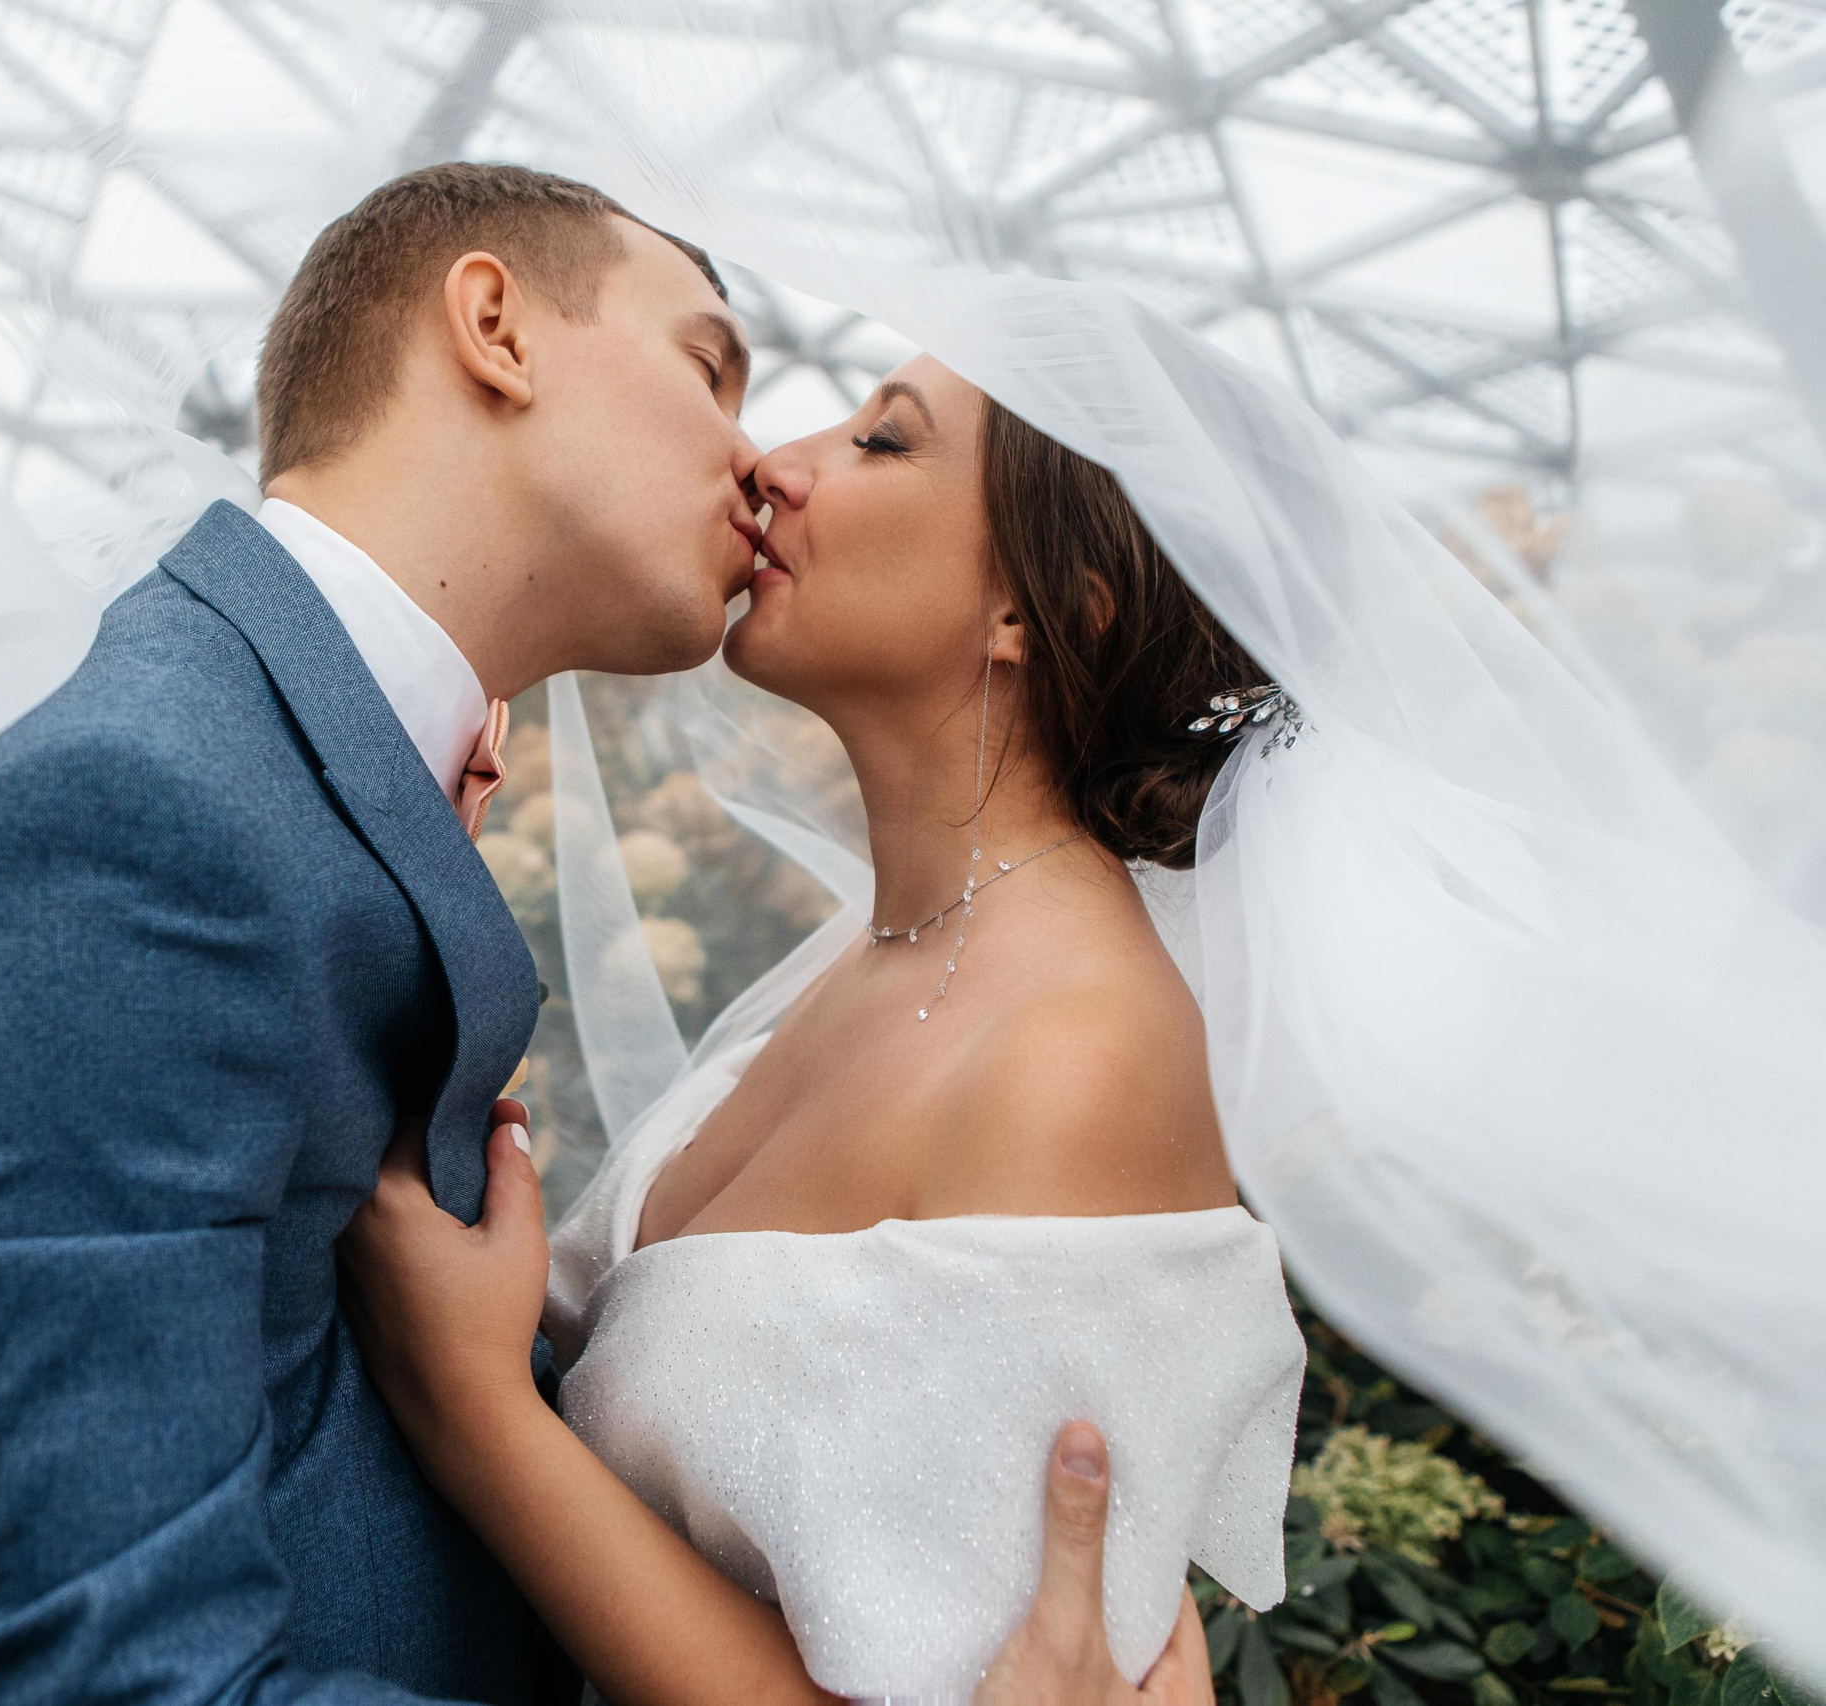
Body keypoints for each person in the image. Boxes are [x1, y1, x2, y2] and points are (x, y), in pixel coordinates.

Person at [0, 165, 1208, 1706]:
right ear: (495, 330)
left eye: (870, 435)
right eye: (709, 366)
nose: (761, 459)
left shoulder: (269, 799)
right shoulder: (125, 832)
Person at [337, 354, 1308, 1700]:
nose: (776, 462)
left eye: (883, 442)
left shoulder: (1077, 1057)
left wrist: (478, 1409)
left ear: (1037, 607)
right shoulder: (874, 951)